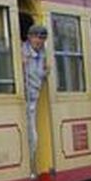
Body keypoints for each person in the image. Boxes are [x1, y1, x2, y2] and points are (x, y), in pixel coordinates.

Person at [22, 23, 51, 167]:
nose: (39, 41)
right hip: (23, 99)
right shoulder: (22, 52)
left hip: (34, 98)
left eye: (42, 38)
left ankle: (31, 165)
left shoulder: (43, 54)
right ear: (29, 38)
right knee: (30, 136)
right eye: (36, 37)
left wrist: (46, 72)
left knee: (33, 137)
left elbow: (41, 75)